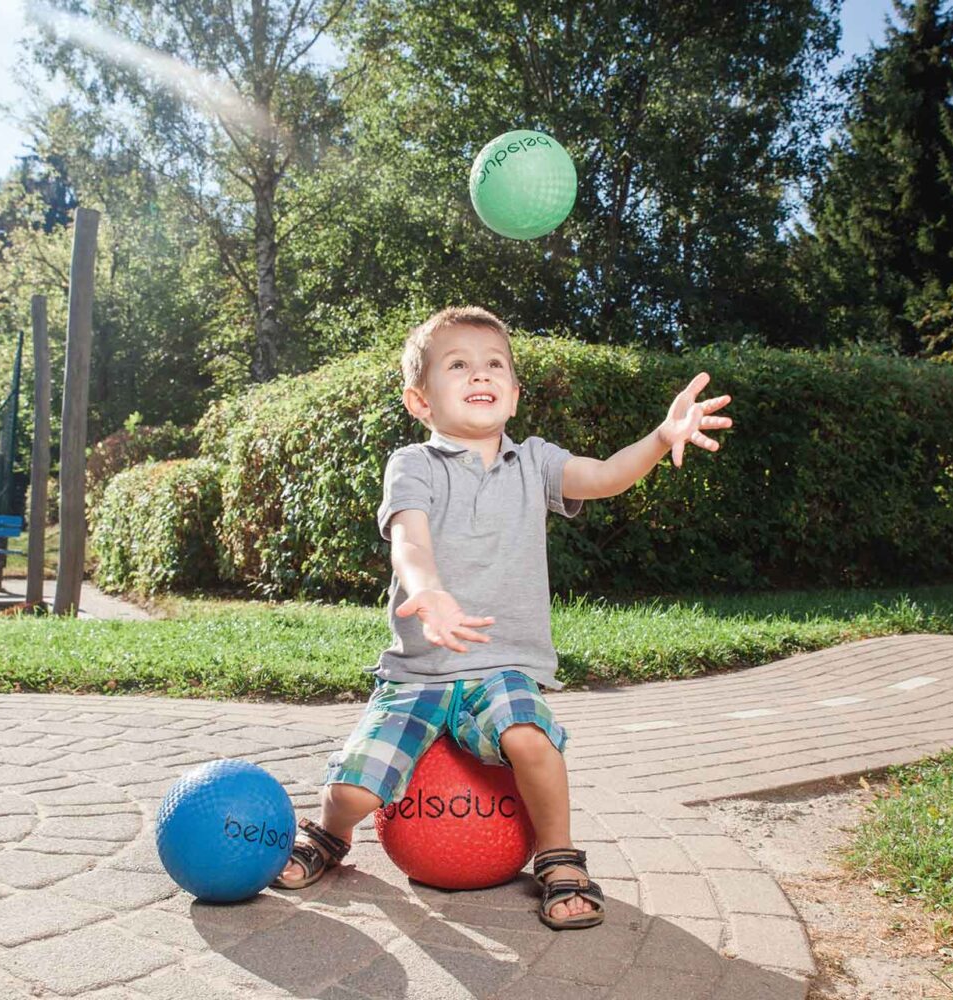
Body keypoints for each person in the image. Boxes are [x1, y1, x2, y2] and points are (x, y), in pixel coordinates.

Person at [272, 306, 732, 930]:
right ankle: (330, 835)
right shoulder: (414, 465)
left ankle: (559, 858)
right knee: (354, 790)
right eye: (456, 365)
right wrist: (428, 592)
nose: (478, 374)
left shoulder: (535, 462)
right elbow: (409, 541)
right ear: (420, 400)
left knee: (531, 741)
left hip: (502, 668)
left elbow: (602, 477)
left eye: (493, 365)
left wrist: (658, 438)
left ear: (513, 395)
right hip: (420, 674)